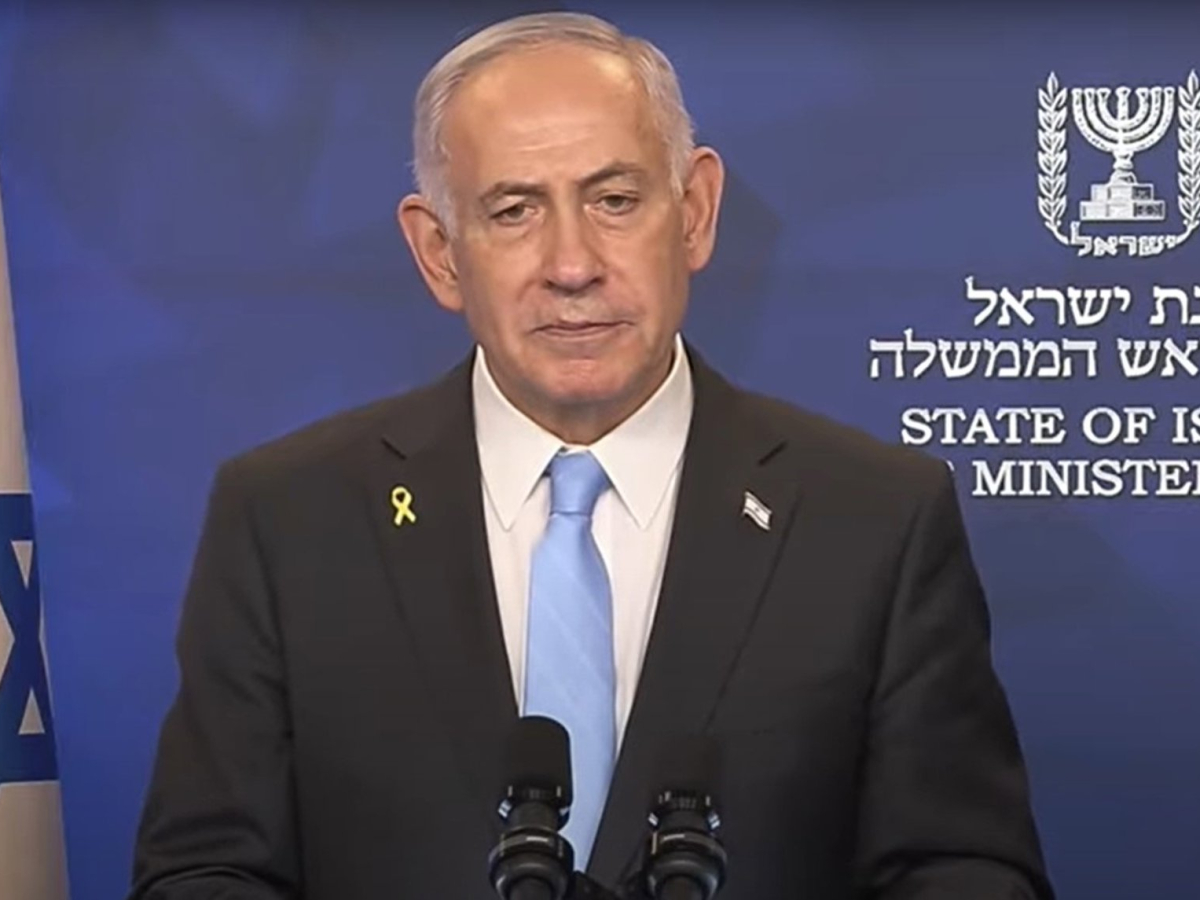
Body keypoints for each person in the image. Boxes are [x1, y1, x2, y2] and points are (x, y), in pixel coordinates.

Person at [129, 11, 1054, 899]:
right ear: (439, 253)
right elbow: (205, 875)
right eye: (514, 210)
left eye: (615, 201)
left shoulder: (875, 519)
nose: (572, 265)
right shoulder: (288, 519)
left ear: (694, 212)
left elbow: (964, 872)